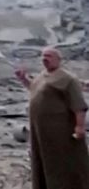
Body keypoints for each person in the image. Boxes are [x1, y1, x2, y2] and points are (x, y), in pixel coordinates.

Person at [15, 47, 89, 189]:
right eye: (43, 56)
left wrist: (80, 126)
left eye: (48, 56)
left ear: (58, 59)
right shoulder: (42, 76)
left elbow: (79, 105)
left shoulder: (67, 79)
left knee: (61, 162)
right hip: (41, 131)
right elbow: (34, 88)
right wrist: (23, 79)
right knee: (42, 160)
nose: (45, 59)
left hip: (60, 131)